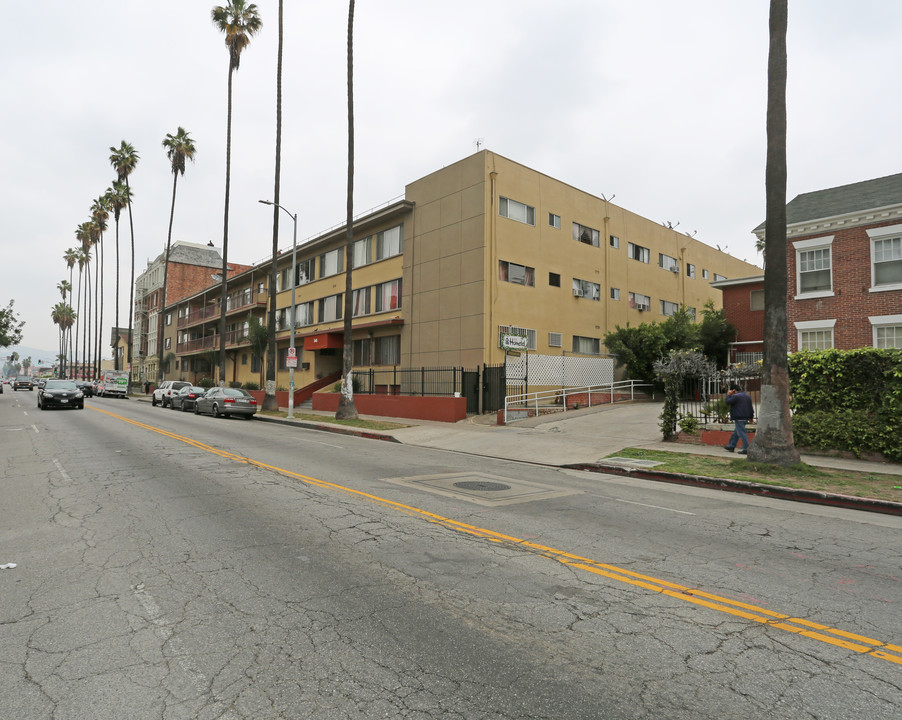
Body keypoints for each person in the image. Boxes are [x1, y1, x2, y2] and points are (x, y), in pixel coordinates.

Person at [724, 384, 754, 454]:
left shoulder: (736, 396)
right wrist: (751, 417)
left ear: (734, 390)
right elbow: (750, 407)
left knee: (741, 433)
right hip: (745, 417)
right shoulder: (747, 396)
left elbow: (728, 402)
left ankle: (746, 449)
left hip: (739, 417)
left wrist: (729, 395)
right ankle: (731, 446)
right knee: (736, 432)